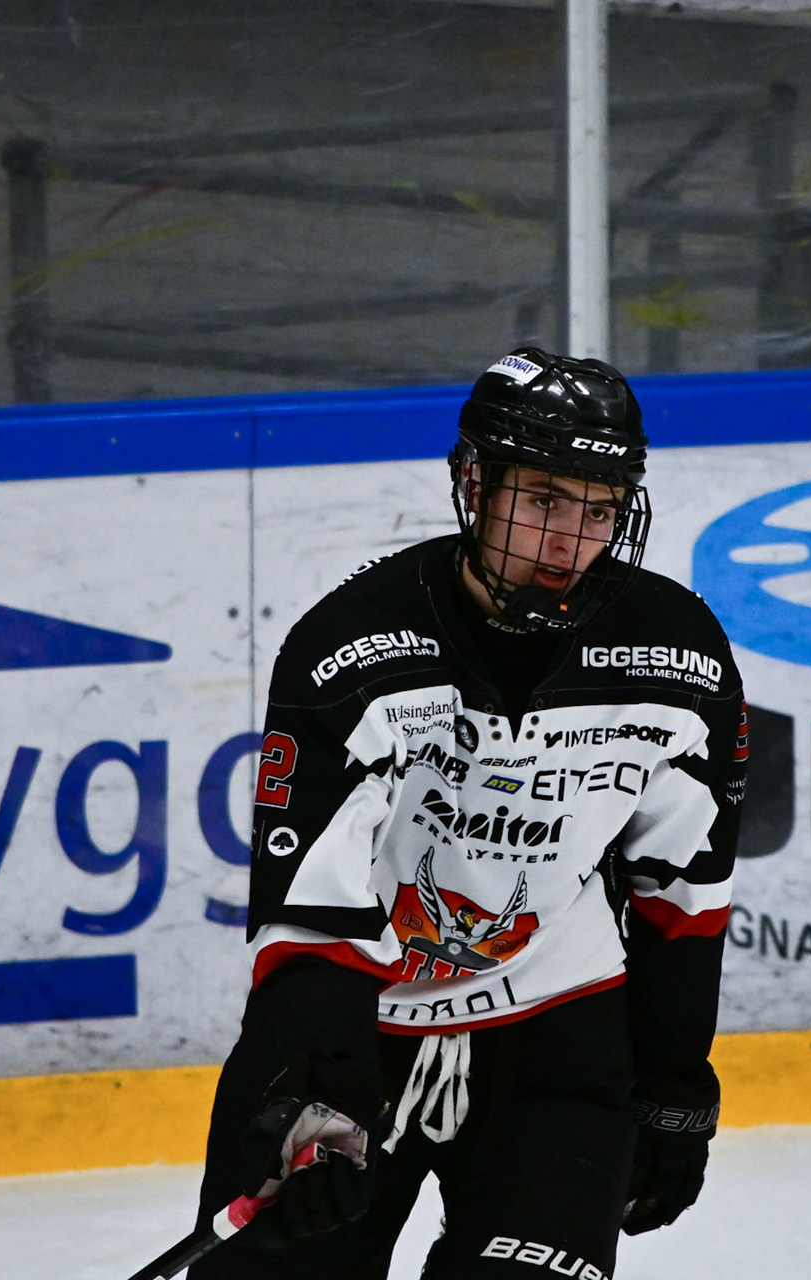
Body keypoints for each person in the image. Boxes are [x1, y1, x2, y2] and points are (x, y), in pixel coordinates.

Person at [191, 348, 747, 1279]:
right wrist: (313, 1092)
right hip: (351, 1043)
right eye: (544, 502)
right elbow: (311, 911)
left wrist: (676, 1081)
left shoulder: (675, 653)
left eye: (600, 510)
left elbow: (681, 893)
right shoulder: (353, 648)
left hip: (557, 1051)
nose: (569, 543)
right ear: (475, 484)